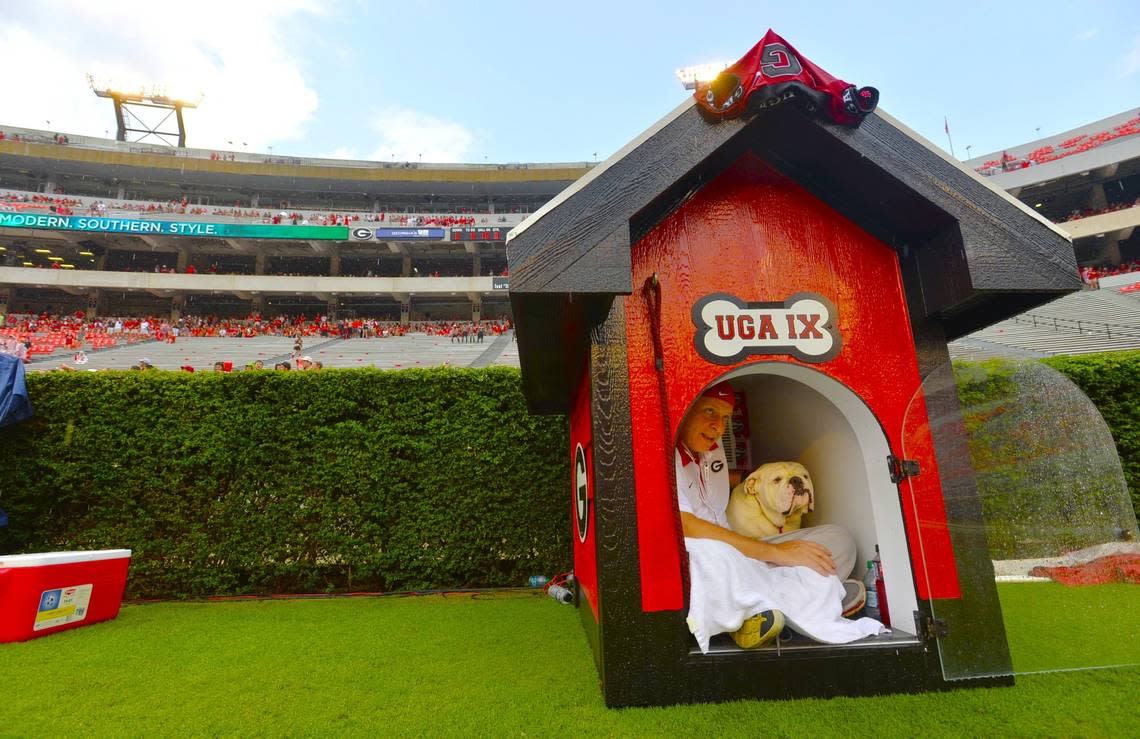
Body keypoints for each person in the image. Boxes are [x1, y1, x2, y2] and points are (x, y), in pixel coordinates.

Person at [676, 381, 882, 653]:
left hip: (744, 551)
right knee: (711, 555)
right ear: (685, 410)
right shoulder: (664, 452)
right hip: (714, 552)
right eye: (710, 412)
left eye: (726, 418)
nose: (719, 427)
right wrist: (776, 552)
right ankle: (813, 600)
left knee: (839, 540)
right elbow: (686, 525)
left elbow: (709, 487)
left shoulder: (713, 449)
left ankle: (777, 607)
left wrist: (774, 549)